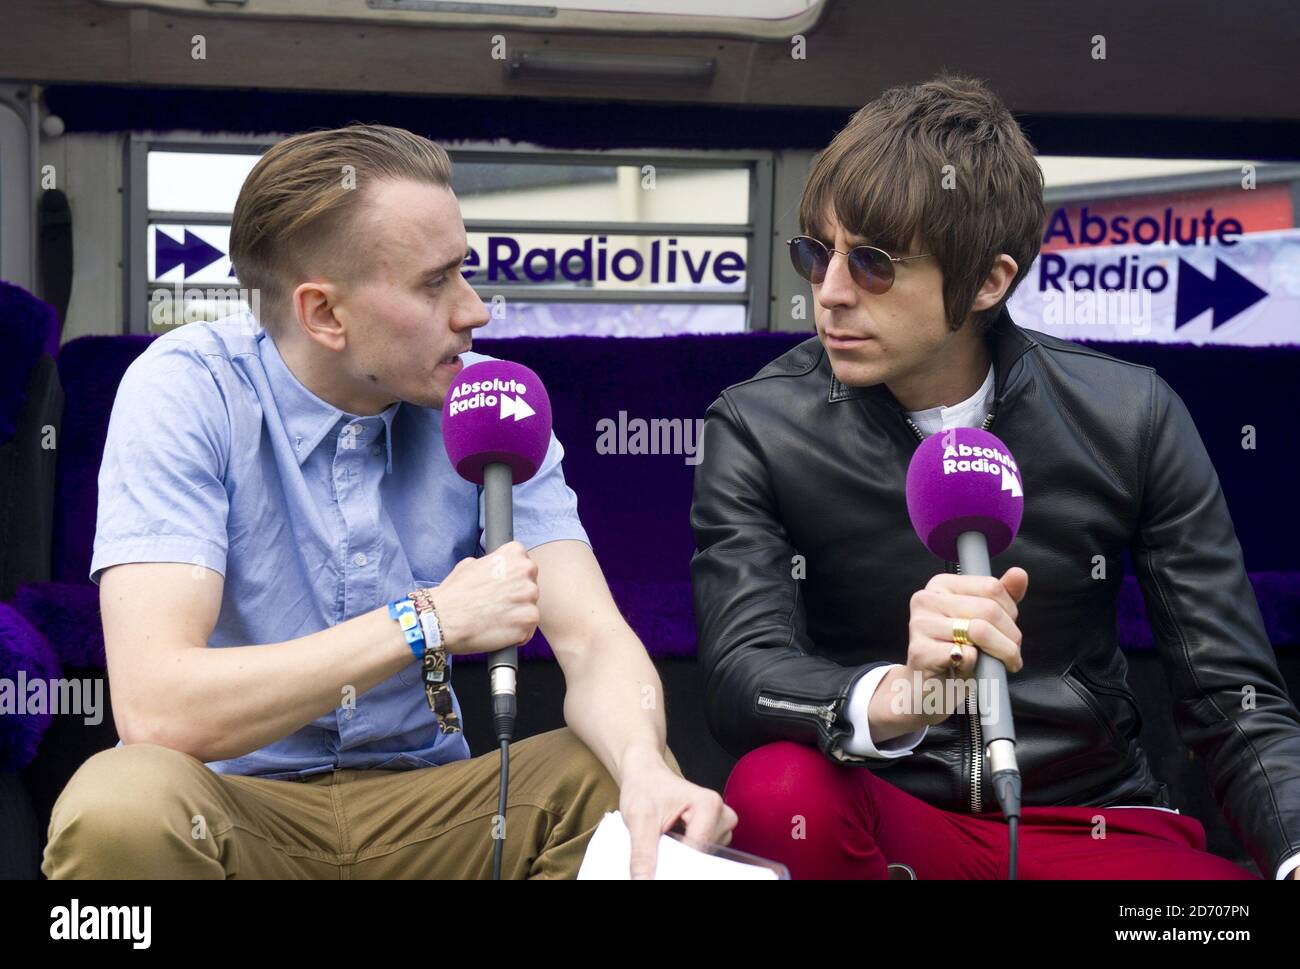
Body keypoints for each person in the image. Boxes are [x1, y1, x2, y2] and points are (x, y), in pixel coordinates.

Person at [43, 123, 735, 880]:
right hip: (235, 808)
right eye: (435, 282)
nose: (476, 310)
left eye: (463, 271)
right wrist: (425, 621)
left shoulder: (492, 397)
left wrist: (643, 762)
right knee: (117, 806)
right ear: (324, 314)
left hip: (435, 809)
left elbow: (594, 639)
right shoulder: (186, 389)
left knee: (618, 777)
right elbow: (157, 707)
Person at [690, 74, 1300, 880]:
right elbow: (742, 673)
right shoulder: (759, 424)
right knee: (775, 792)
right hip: (892, 818)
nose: (828, 293)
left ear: (988, 281)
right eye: (815, 252)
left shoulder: (1131, 415)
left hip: (1094, 827)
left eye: (872, 263)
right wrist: (897, 693)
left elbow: (1232, 697)